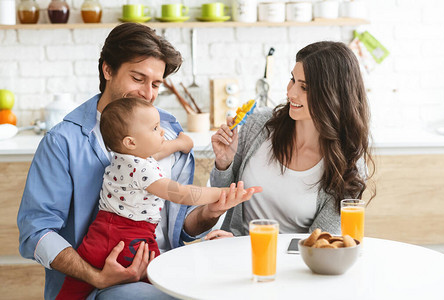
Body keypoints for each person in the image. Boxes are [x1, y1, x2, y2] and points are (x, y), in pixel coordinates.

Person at [17, 23, 259, 300]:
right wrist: (95, 275)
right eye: (137, 78)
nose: (147, 93)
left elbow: (176, 229)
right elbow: (35, 232)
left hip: (166, 267)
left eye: (156, 84)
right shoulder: (64, 141)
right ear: (108, 70)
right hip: (101, 283)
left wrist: (210, 213)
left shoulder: (166, 131)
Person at [56, 97, 260, 299]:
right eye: (154, 128)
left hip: (104, 233)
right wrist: (224, 193)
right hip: (127, 237)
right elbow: (181, 193)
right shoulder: (140, 168)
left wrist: (181, 143)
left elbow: (157, 152)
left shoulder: (125, 157)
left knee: (72, 291)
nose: (162, 131)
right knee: (164, 280)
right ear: (131, 142)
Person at [210, 41, 375, 238]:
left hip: (294, 264)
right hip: (234, 252)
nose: (291, 93)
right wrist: (224, 162)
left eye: (304, 87)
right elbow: (220, 196)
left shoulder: (348, 167)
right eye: (292, 80)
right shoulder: (259, 126)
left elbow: (320, 244)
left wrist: (246, 246)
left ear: (332, 95)